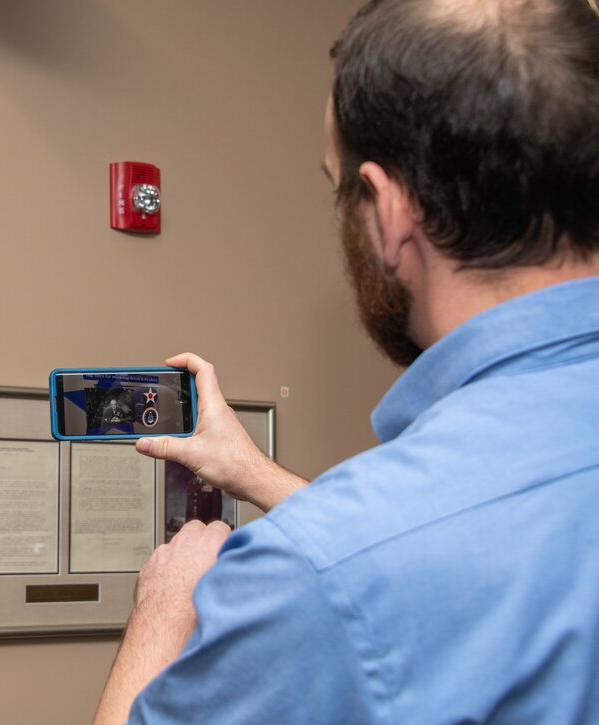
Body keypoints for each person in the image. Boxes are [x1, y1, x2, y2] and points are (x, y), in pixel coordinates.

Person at [94, 0, 599, 722]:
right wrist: (254, 473)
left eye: (340, 189)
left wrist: (166, 605)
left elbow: (378, 562)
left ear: (391, 214)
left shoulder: (308, 572)